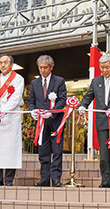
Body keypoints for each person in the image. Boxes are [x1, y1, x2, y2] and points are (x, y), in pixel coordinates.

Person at [78, 54, 110, 188]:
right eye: (102, 68)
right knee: (103, 156)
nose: (104, 70)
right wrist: (82, 106)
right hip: (102, 122)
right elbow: (88, 96)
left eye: (107, 67)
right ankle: (105, 181)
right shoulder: (96, 81)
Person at [0, 54, 25, 186]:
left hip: (11, 116)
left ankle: (8, 179)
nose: (3, 65)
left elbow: (15, 98)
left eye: (5, 62)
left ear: (11, 64)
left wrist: (3, 110)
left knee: (11, 147)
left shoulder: (18, 79)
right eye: (0, 63)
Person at [28, 55, 67, 187]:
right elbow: (31, 101)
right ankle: (44, 179)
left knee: (56, 150)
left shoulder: (59, 81)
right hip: (41, 123)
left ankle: (56, 178)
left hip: (55, 121)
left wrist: (52, 112)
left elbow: (62, 100)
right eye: (40, 68)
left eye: (45, 67)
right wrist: (33, 111)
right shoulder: (34, 83)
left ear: (51, 67)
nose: (43, 70)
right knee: (43, 151)